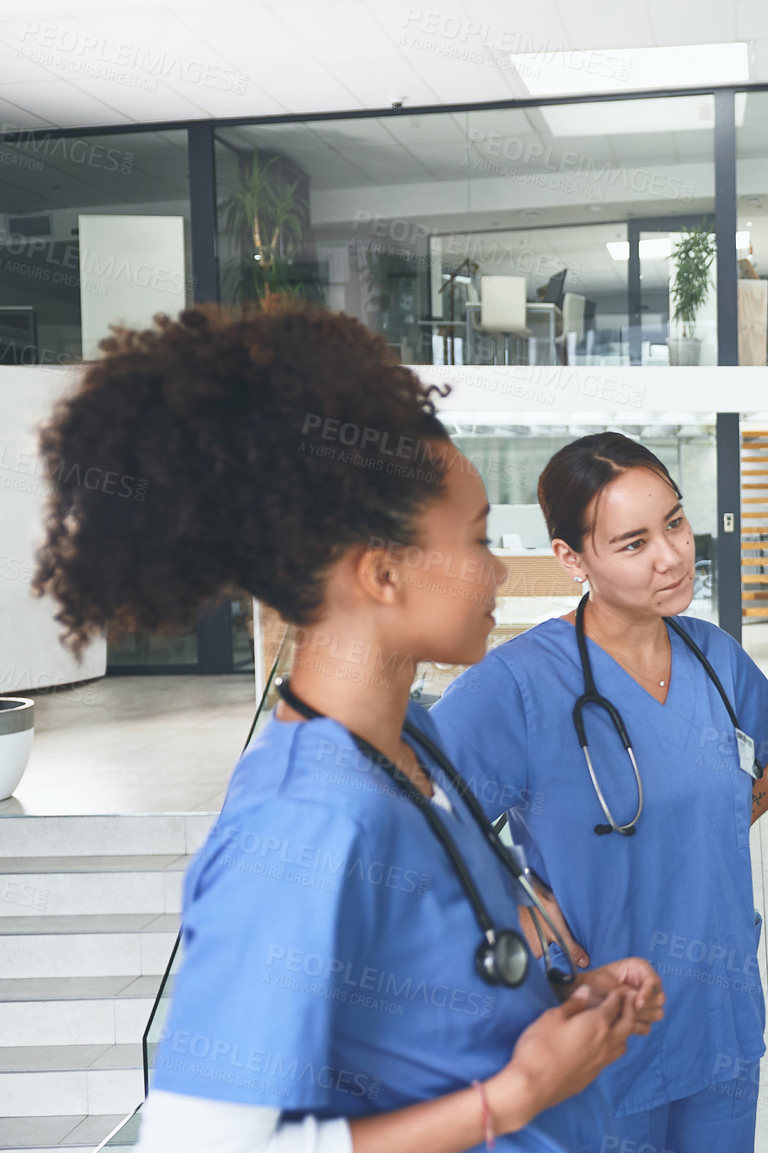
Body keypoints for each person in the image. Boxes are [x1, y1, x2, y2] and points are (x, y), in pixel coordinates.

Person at [32, 307, 665, 1152]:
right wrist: (507, 1099)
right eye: (477, 539)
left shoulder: (412, 737)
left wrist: (565, 999)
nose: (497, 570)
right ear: (383, 571)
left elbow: (432, 996)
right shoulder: (303, 823)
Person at [432, 432, 768, 1152]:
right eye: (633, 543)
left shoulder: (714, 654)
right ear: (572, 558)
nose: (671, 555)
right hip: (593, 1034)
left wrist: (723, 818)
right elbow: (411, 819)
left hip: (717, 1024)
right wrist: (525, 912)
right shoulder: (518, 685)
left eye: (674, 521)